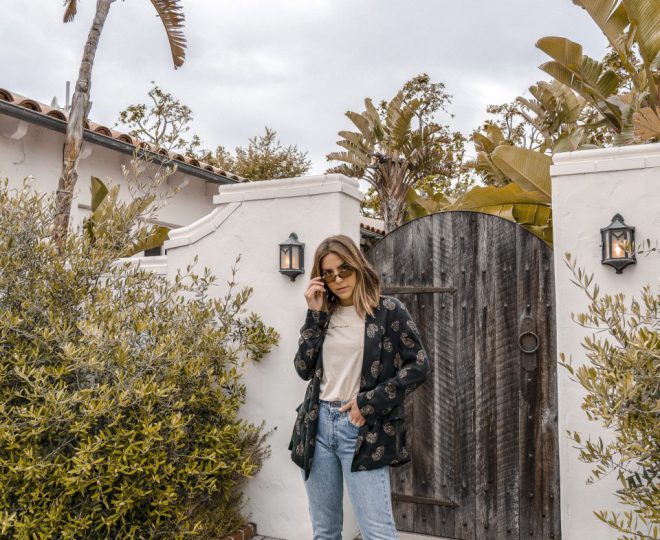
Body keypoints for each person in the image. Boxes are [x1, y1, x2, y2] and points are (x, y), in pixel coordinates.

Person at [288, 234, 431, 540]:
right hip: (318, 426)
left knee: (377, 533)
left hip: (361, 428)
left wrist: (369, 403)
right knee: (325, 532)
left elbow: (418, 366)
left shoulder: (387, 310)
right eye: (329, 274)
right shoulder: (322, 315)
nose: (338, 279)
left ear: (357, 266)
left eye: (344, 270)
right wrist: (315, 315)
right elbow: (302, 369)